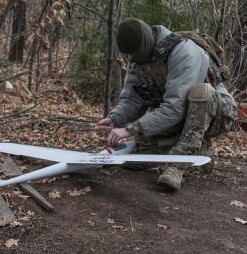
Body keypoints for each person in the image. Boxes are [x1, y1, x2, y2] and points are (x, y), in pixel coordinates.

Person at [97, 18, 237, 192]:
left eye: (133, 54)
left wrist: (130, 129)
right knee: (137, 156)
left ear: (145, 46)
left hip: (217, 113)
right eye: (128, 55)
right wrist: (115, 119)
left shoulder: (183, 52)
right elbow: (132, 98)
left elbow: (174, 108)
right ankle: (188, 152)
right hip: (178, 113)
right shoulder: (138, 58)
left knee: (201, 93)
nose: (130, 59)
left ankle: (178, 164)